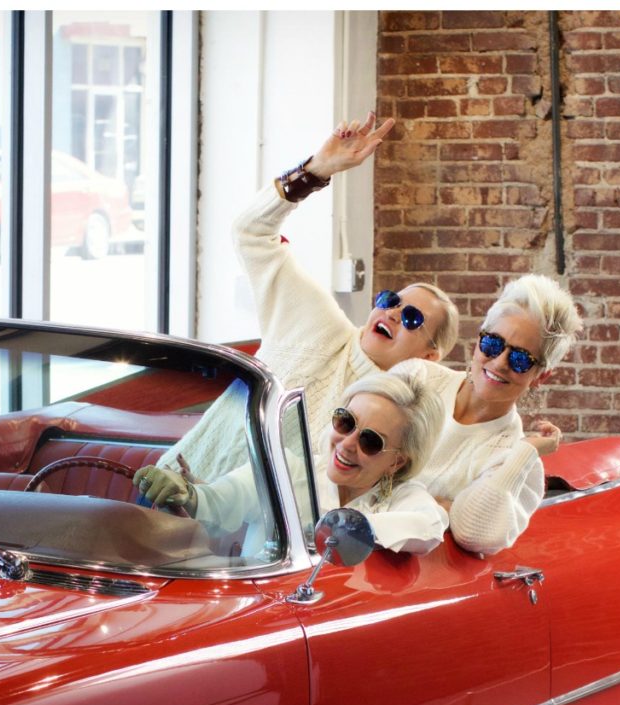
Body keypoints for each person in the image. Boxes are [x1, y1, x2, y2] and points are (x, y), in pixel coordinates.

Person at [157, 112, 459, 482]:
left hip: (257, 539)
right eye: (390, 299)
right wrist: (315, 171)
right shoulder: (317, 322)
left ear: (429, 357)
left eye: (411, 318)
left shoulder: (400, 424)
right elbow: (250, 233)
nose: (393, 313)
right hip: (164, 494)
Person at [135, 370, 448, 556]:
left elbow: (430, 526)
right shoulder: (289, 470)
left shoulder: (405, 499)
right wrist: (187, 493)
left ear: (397, 462)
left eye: (370, 441)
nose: (348, 444)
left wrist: (338, 529)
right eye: (345, 421)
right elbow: (222, 500)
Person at [392, 272, 581, 556]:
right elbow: (344, 451)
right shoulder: (415, 378)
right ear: (478, 339)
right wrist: (440, 511)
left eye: (520, 359)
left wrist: (525, 451)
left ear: (541, 376)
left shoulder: (519, 465)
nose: (500, 362)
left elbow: (473, 533)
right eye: (493, 343)